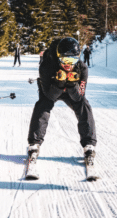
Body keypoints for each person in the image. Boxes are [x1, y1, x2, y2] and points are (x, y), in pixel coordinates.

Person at [27, 37, 97, 166]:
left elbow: (79, 97)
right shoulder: (47, 65)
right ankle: (34, 143)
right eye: (65, 59)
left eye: (72, 60)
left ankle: (89, 144)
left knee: (84, 105)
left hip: (70, 90)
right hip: (52, 89)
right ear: (59, 56)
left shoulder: (82, 68)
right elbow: (49, 95)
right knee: (42, 105)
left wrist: (71, 84)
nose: (68, 64)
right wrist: (59, 83)